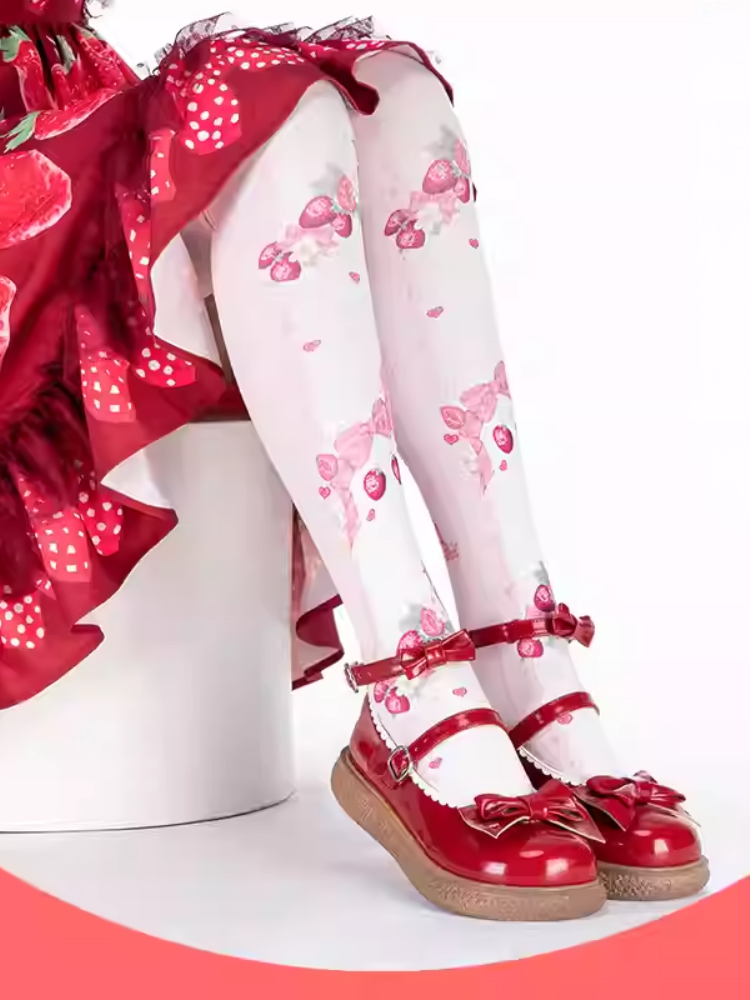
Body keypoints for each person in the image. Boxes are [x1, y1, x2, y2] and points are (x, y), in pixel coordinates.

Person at [0, 0, 707, 921]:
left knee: (391, 94)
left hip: (66, 104)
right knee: (258, 99)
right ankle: (407, 669)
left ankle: (520, 649)